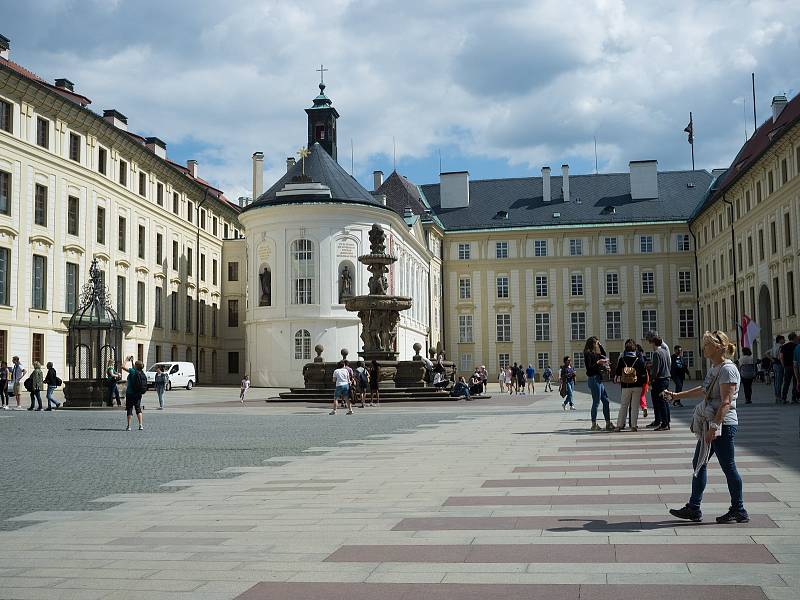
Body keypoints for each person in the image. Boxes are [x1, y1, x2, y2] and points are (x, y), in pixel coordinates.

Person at [666, 330, 749, 524]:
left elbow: (726, 401)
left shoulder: (727, 369)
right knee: (699, 463)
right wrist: (677, 395)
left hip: (722, 424)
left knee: (728, 467)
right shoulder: (715, 368)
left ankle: (739, 509)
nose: (704, 348)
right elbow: (704, 390)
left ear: (718, 347)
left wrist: (714, 426)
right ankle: (694, 508)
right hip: (712, 423)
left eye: (707, 345)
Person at [613, 339, 647, 431]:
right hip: (637, 386)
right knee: (635, 406)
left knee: (624, 405)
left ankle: (619, 425)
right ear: (634, 348)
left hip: (626, 385)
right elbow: (644, 372)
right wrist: (644, 383)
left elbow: (617, 372)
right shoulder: (639, 359)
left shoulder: (622, 359)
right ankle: (633, 425)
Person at [584, 336, 612, 431]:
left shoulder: (596, 353)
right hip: (593, 379)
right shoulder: (588, 354)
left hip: (598, 379)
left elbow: (604, 355)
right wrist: (598, 362)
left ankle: (608, 423)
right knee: (596, 402)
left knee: (606, 401)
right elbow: (589, 368)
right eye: (596, 343)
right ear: (592, 344)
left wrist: (600, 345)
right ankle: (593, 424)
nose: (597, 345)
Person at [647, 334, 672, 431]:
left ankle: (664, 423)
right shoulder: (665, 351)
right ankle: (666, 421)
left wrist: (651, 380)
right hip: (666, 378)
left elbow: (656, 370)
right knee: (665, 401)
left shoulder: (656, 353)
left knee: (660, 402)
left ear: (653, 343)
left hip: (659, 380)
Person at [124, 356, 147, 431]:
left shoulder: (132, 371)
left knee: (129, 409)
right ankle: (140, 425)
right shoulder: (141, 372)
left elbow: (122, 367)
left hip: (130, 393)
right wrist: (132, 362)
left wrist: (126, 360)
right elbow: (135, 367)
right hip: (138, 393)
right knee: (138, 408)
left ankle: (129, 426)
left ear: (136, 366)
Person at [779, 333, 798, 404]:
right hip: (795, 366)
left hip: (787, 367)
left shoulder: (784, 346)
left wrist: (784, 365)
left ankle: (784, 398)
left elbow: (781, 357)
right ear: (794, 338)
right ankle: (794, 398)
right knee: (795, 382)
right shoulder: (796, 346)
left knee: (786, 383)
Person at [771, 335, 785, 403]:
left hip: (774, 364)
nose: (784, 340)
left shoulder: (774, 346)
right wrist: (783, 365)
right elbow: (780, 357)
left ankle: (777, 396)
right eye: (783, 339)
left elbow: (767, 353)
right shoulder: (781, 346)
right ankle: (779, 396)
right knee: (779, 381)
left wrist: (772, 359)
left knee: (776, 381)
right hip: (779, 364)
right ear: (780, 340)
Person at [636, 344, 649, 418]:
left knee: (636, 396)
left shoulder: (635, 358)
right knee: (642, 395)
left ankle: (636, 411)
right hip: (645, 378)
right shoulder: (644, 358)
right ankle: (644, 407)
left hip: (638, 379)